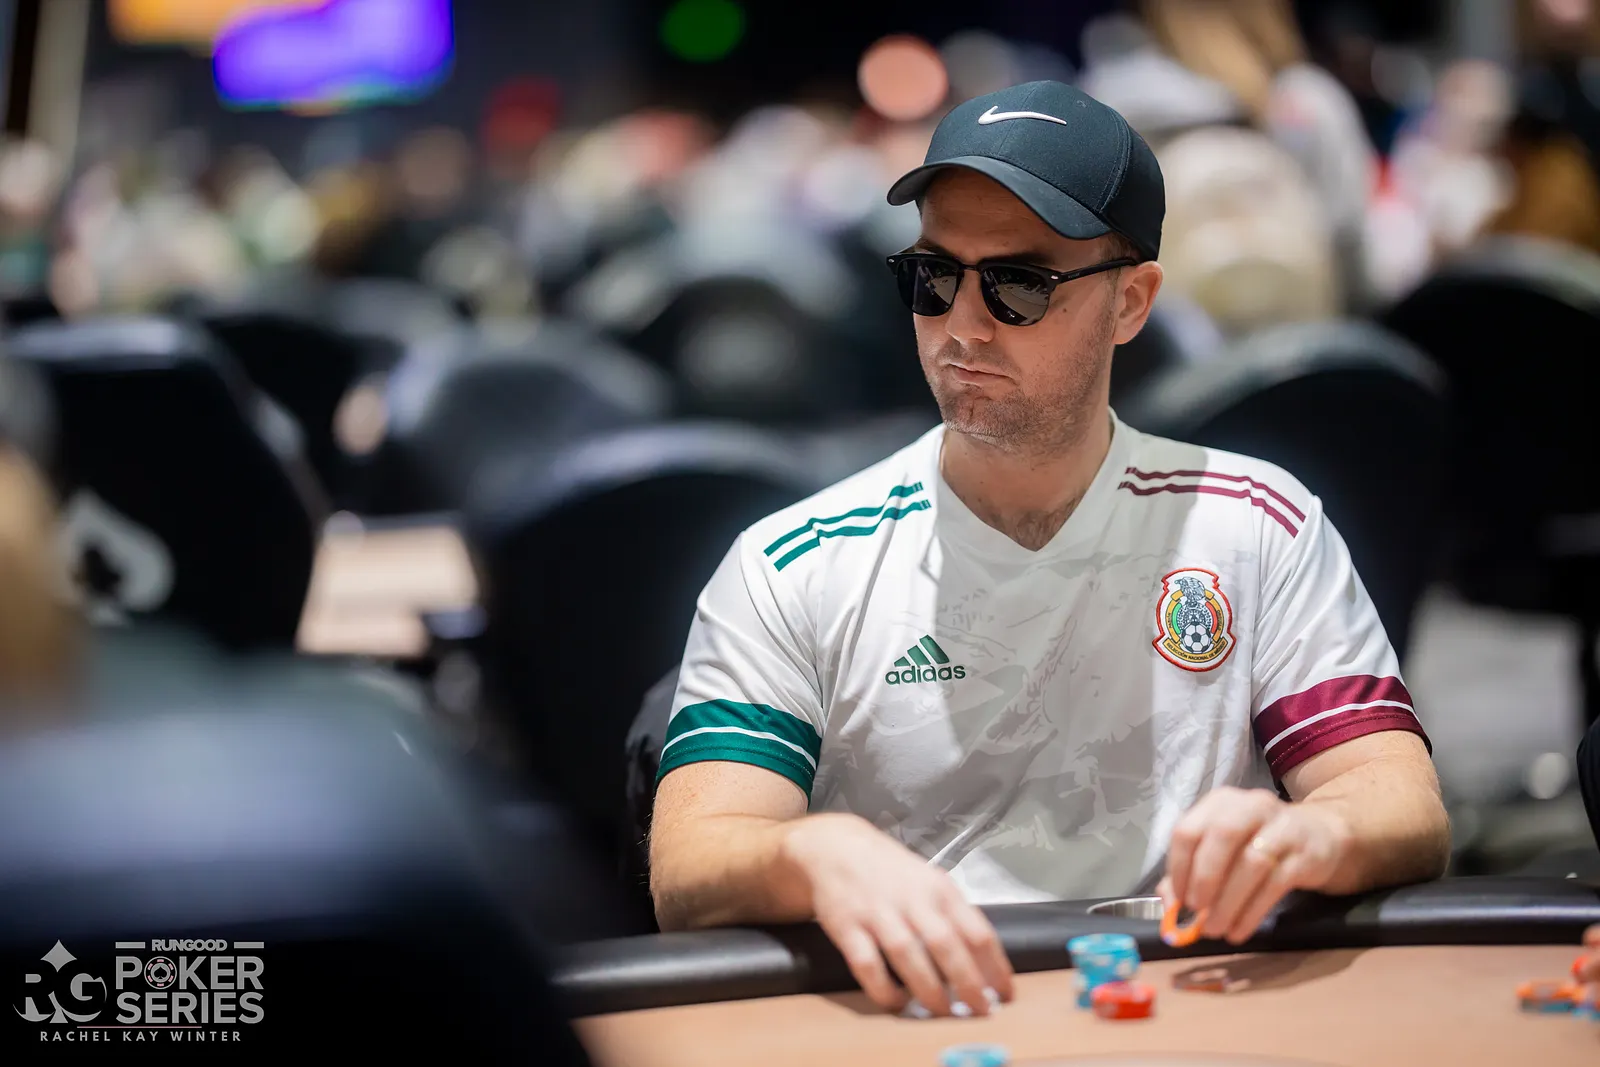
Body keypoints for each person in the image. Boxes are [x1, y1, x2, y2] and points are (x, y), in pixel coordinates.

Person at [648, 80, 1450, 1018]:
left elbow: (1397, 799)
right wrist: (811, 851)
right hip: (924, 1018)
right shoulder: (791, 563)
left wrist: (1317, 834)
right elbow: (691, 864)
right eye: (933, 277)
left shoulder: (1256, 523)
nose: (963, 325)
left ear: (1131, 301)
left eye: (1019, 284)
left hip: (1191, 1003)